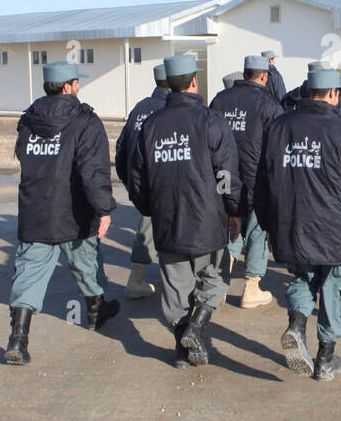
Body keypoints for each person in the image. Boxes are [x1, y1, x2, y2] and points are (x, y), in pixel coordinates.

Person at [255, 67, 341, 381]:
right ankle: (325, 359)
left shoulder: (278, 128)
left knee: (302, 279)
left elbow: (263, 183)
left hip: (291, 225)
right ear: (333, 94)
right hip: (335, 229)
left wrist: (268, 224)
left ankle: (297, 326)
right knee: (333, 286)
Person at [128, 55, 241, 369]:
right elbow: (225, 173)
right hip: (208, 221)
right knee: (218, 277)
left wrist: (152, 208)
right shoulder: (211, 121)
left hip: (168, 221)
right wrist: (232, 209)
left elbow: (137, 177)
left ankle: (181, 351)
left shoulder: (150, 125)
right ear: (194, 82)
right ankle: (197, 325)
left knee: (175, 289)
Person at [5, 61, 118, 365]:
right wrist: (104, 207)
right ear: (68, 86)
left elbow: (22, 157)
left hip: (35, 209)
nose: (78, 87)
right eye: (76, 83)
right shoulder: (85, 121)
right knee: (85, 262)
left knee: (30, 272)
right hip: (74, 212)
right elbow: (93, 172)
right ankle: (95, 314)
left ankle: (18, 338)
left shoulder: (28, 120)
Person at [209, 55, 284, 309]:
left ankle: (219, 284)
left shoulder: (219, 100)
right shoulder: (269, 105)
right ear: (264, 76)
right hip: (256, 179)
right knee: (256, 230)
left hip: (223, 177)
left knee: (229, 228)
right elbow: (278, 148)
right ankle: (251, 288)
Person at [115, 63, 172, 300]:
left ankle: (136, 278)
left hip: (140, 183)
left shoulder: (140, 107)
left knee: (145, 228)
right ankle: (172, 287)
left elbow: (121, 147)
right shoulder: (169, 109)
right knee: (171, 233)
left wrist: (129, 182)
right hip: (163, 184)